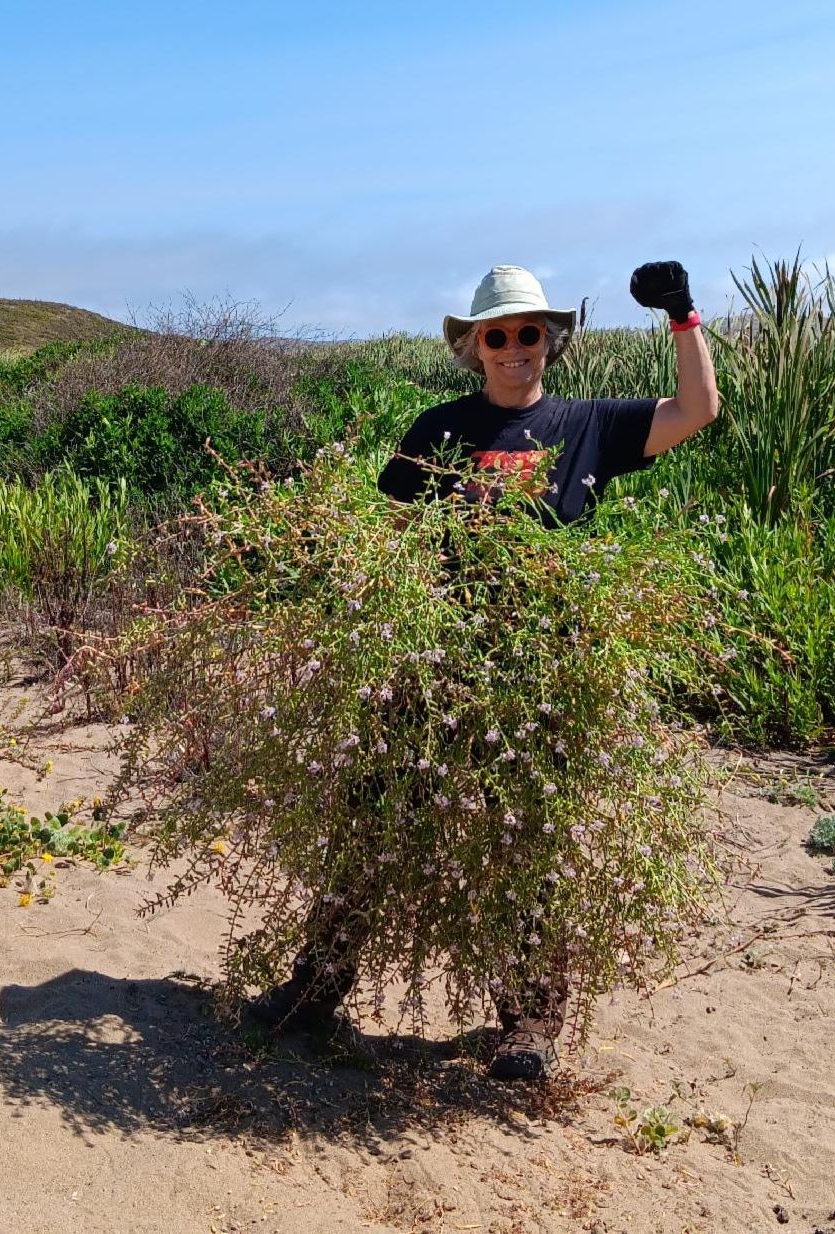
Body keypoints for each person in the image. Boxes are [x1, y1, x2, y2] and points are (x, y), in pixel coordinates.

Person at [249, 261, 719, 1081]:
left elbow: (697, 410)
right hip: (435, 668)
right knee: (372, 826)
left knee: (529, 844)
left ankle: (530, 1020)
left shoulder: (589, 425)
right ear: (472, 347)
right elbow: (389, 540)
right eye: (496, 335)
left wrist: (682, 317)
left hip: (540, 675)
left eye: (528, 333)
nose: (513, 348)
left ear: (550, 341)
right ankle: (315, 987)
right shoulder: (436, 430)